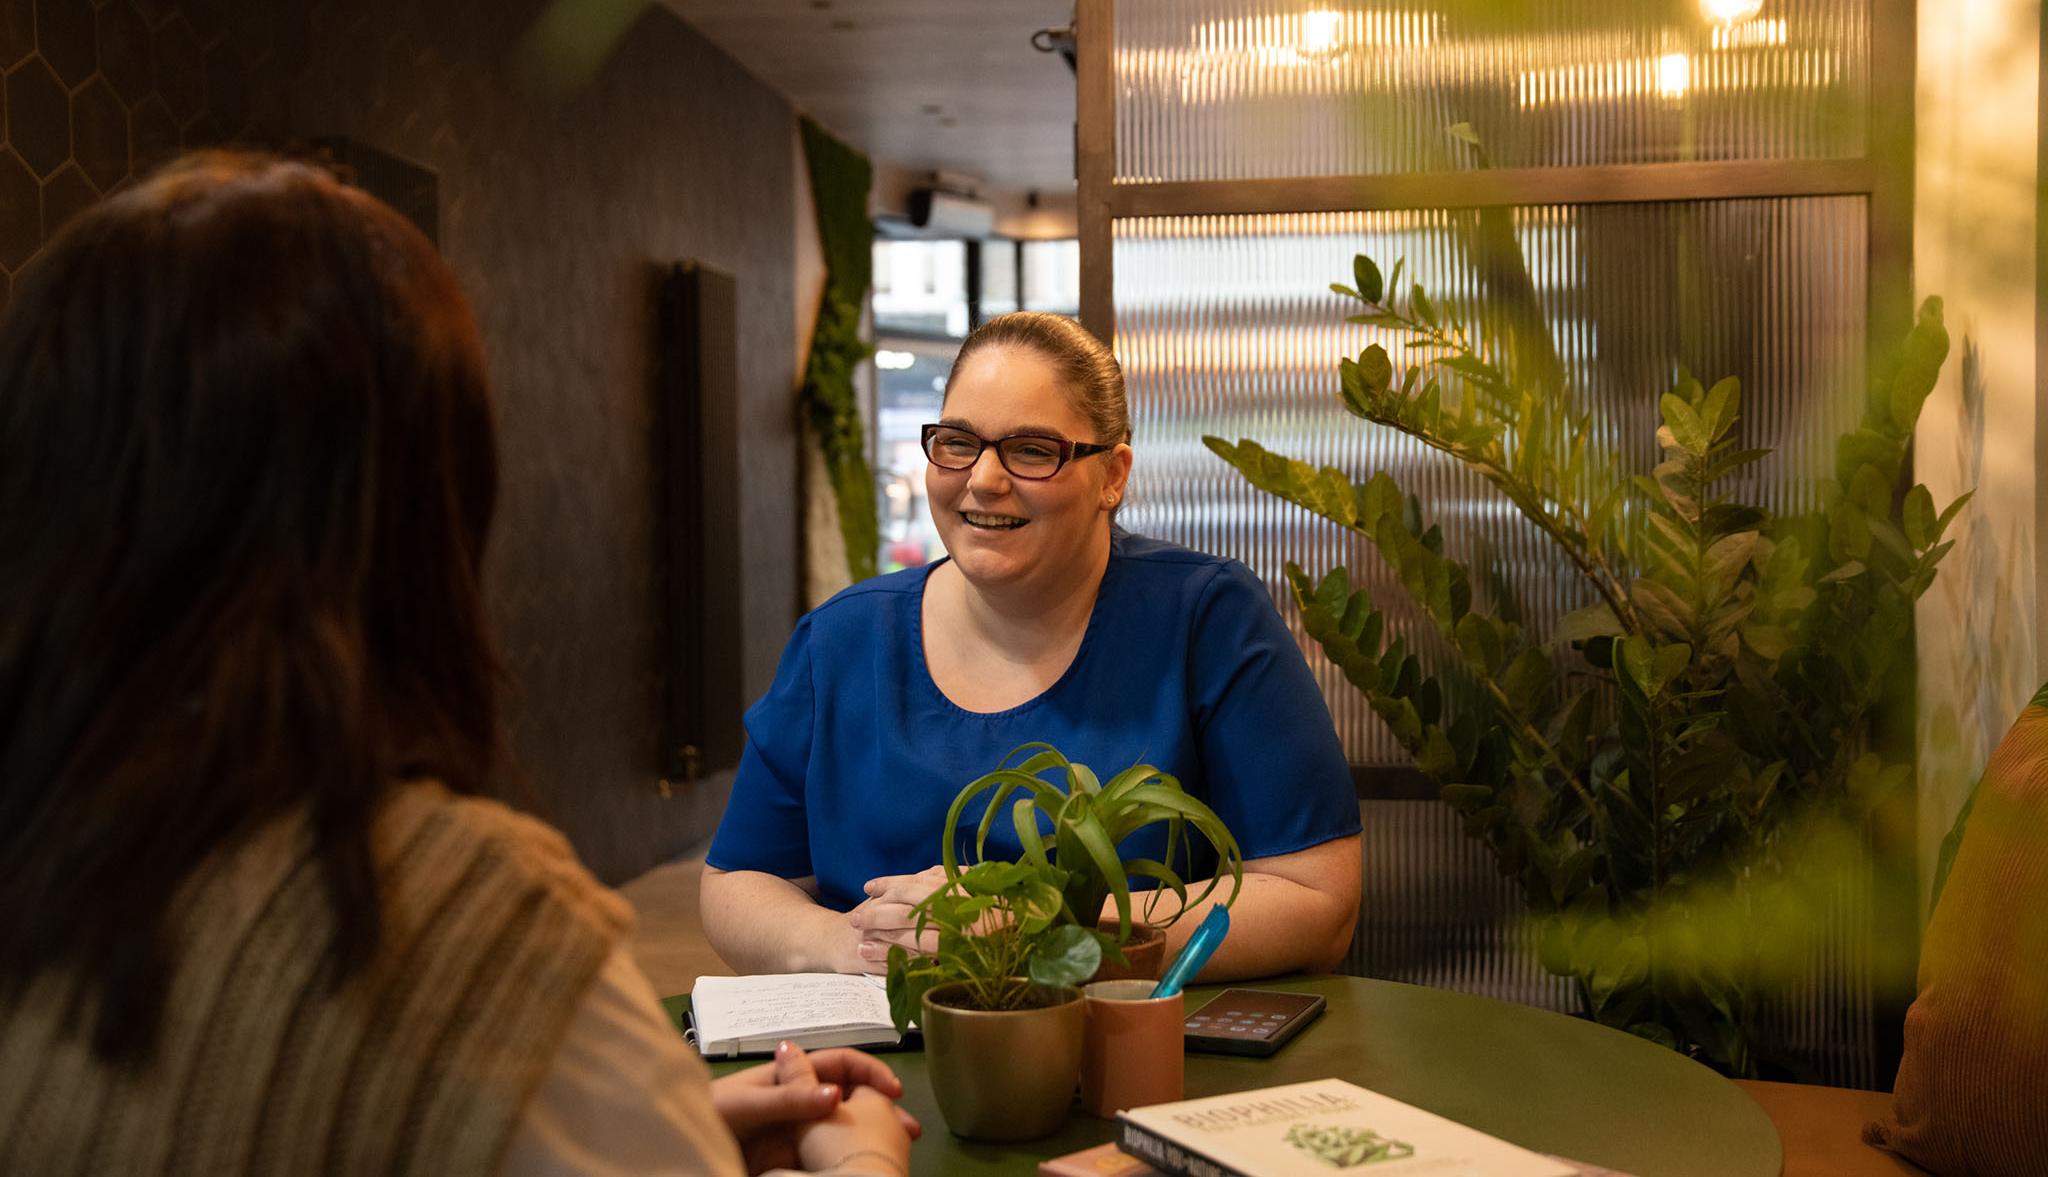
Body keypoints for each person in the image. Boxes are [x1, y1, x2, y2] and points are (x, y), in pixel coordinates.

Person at [0, 152, 916, 1177]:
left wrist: (656, 1124)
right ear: (422, 507)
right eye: (955, 441)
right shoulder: (466, 928)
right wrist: (864, 1165)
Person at [702, 311, 1362, 981]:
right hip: (872, 1061)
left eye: (1031, 449)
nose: (983, 479)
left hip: (1131, 1060)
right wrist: (852, 946)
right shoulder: (842, 640)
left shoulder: (1206, 619)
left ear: (1112, 474)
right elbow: (735, 881)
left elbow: (1316, 899)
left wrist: (1040, 930)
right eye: (958, 442)